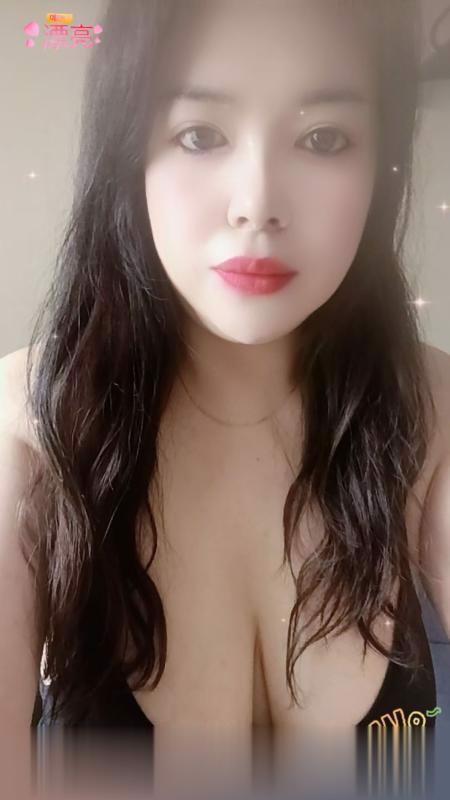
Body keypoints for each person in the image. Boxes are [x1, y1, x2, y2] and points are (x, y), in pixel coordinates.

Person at [1, 0, 449, 797]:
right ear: (127, 152)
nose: (257, 203)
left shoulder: (432, 412)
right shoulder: (34, 425)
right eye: (200, 134)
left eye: (323, 138)